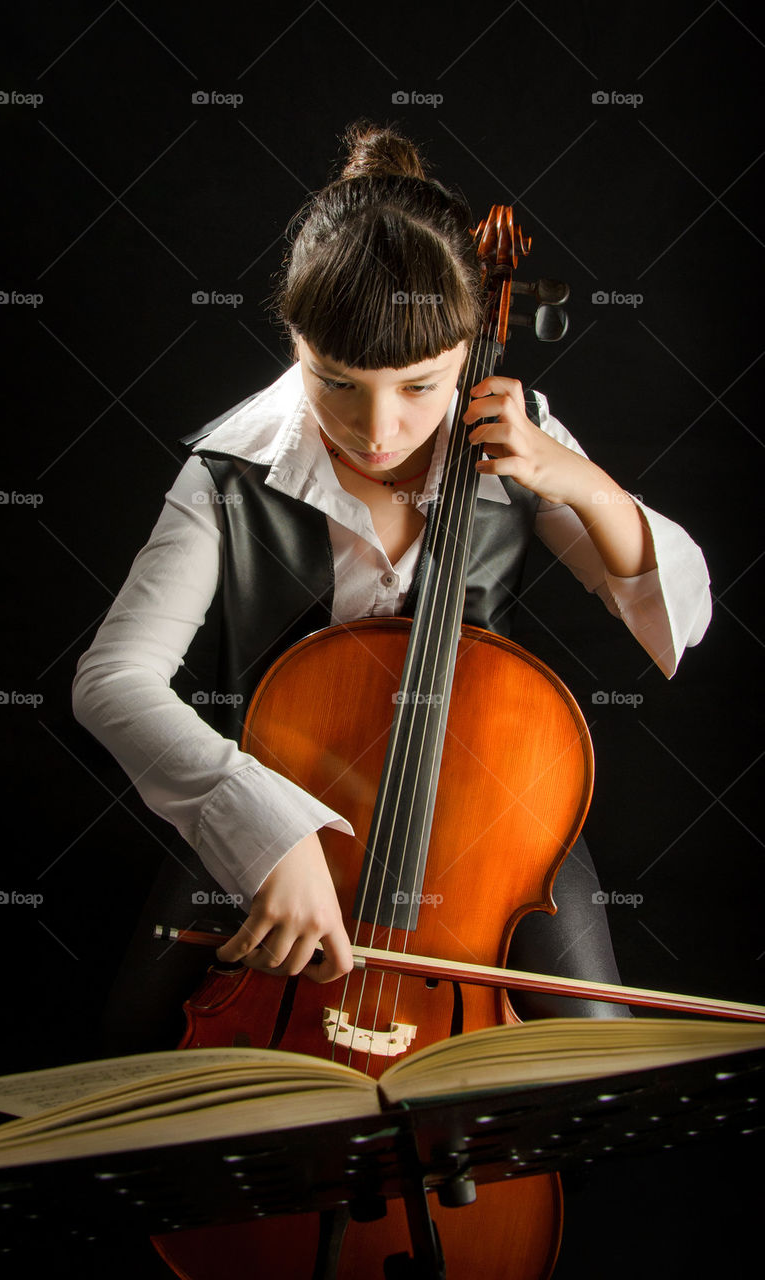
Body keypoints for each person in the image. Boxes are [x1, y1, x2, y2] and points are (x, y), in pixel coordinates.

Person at [72, 121, 711, 1053]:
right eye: (335, 383)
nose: (378, 429)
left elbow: (676, 612)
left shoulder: (512, 432)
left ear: (466, 348)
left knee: (592, 1049)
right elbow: (111, 680)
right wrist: (263, 828)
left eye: (420, 385)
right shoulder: (226, 473)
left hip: (489, 818)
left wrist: (576, 481)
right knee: (133, 1059)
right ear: (294, 338)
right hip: (278, 795)